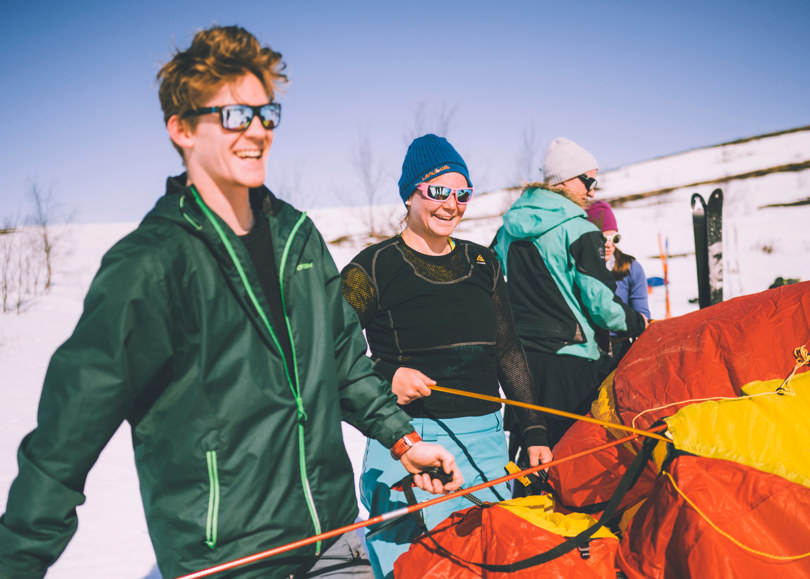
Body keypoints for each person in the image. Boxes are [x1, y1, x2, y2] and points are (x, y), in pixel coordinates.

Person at [0, 26, 463, 579]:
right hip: (229, 560)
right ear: (181, 130)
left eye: (266, 114)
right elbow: (63, 440)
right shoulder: (151, 263)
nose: (257, 131)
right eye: (234, 116)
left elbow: (344, 364)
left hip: (335, 540)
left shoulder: (298, 238)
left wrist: (403, 439)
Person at [340, 134, 553, 578]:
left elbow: (508, 349)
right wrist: (386, 375)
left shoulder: (483, 263)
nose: (451, 204)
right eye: (438, 190)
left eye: (462, 193)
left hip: (485, 440)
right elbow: (327, 350)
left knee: (487, 559)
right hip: (406, 438)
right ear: (410, 193)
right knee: (412, 566)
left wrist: (533, 430)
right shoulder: (372, 267)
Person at [493, 137, 648, 450]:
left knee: (527, 462)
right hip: (572, 364)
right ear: (564, 180)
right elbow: (603, 306)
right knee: (575, 467)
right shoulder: (579, 230)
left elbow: (491, 286)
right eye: (588, 179)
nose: (592, 190)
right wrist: (639, 322)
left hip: (520, 367)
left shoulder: (506, 230)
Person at [585, 200, 650, 376]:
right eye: (602, 238)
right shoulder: (580, 270)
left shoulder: (631, 268)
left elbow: (643, 315)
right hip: (587, 353)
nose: (609, 244)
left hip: (621, 351)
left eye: (614, 238)